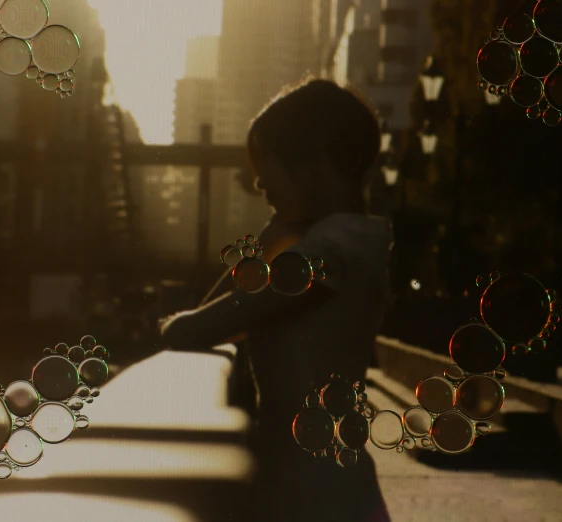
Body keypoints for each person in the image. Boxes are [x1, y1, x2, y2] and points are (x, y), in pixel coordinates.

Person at [160, 77, 393, 522]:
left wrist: (271, 236)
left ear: (316, 168)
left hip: (316, 497)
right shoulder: (345, 244)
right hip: (323, 487)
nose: (258, 181)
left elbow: (191, 328)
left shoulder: (331, 254)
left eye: (267, 163)